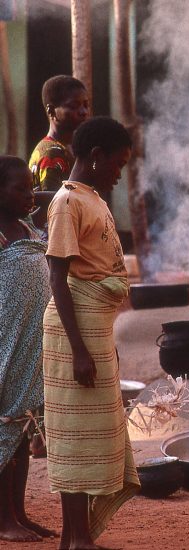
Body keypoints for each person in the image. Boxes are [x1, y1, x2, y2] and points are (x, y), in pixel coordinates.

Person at [43, 117, 138, 550]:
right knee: (75, 437)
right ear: (96, 157)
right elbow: (58, 278)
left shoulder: (91, 198)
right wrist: (79, 350)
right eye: (118, 163)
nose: (119, 173)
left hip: (92, 329)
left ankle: (74, 537)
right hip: (73, 332)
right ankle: (79, 538)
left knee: (92, 433)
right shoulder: (67, 202)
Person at [0, 156, 56, 542]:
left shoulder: (27, 227)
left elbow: (50, 196)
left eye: (31, 187)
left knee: (22, 430)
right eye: (20, 188)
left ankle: (18, 513)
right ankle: (4, 519)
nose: (29, 195)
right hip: (6, 345)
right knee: (5, 429)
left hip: (31, 347)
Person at [28, 75, 89, 230]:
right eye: (74, 106)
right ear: (51, 111)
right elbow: (55, 205)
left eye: (86, 105)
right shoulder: (51, 153)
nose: (83, 112)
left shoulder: (70, 149)